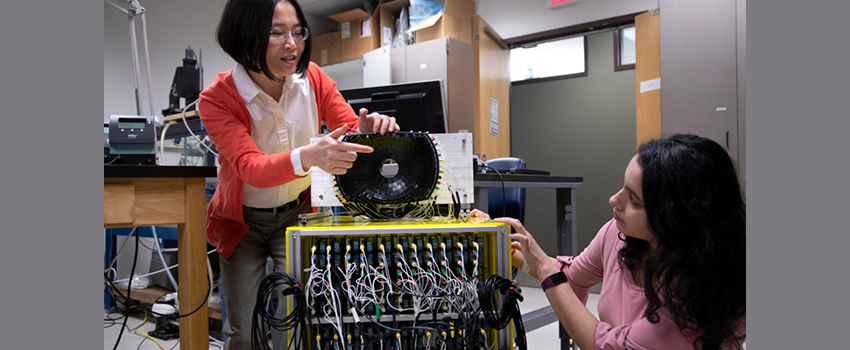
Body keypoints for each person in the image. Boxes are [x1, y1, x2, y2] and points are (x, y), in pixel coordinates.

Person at [197, 0, 400, 348]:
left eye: (297, 32)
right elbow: (250, 168)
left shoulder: (313, 79)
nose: (291, 44)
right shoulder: (217, 99)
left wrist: (365, 129)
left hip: (296, 215)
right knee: (244, 331)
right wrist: (308, 156)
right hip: (241, 223)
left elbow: (349, 127)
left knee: (293, 322)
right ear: (245, 36)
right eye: (276, 33)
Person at [472, 134, 746, 350]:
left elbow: (605, 345)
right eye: (623, 188)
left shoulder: (695, 304)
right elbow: (571, 277)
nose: (614, 200)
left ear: (675, 220)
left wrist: (545, 268)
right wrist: (504, 242)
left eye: (634, 199)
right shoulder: (619, 235)